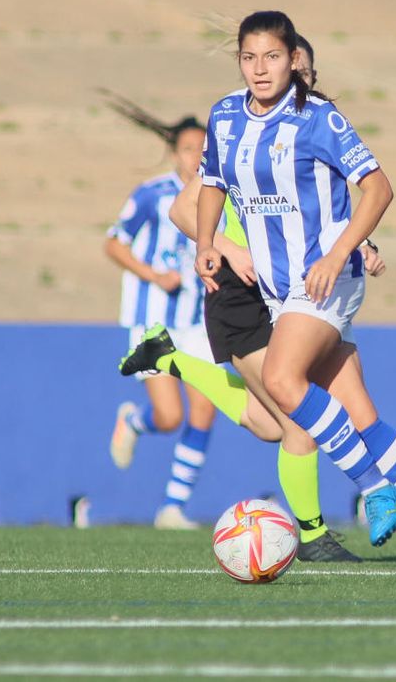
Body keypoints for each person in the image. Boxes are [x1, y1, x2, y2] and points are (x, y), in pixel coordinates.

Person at [194, 10, 396, 572]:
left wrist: (339, 253)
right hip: (283, 292)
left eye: (272, 57)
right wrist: (206, 242)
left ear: (293, 60)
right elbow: (212, 181)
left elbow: (378, 189)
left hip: (327, 278)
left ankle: (374, 486)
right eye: (249, 57)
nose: (260, 69)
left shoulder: (318, 119)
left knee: (284, 381)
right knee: (361, 418)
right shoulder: (226, 116)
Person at [118, 39, 375, 562]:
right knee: (296, 417)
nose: (287, 76)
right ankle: (312, 536)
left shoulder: (313, 130)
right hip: (242, 296)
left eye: (299, 68)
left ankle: (170, 359)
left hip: (291, 293)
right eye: (279, 64)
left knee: (268, 423)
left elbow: (326, 214)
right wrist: (228, 249)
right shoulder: (238, 130)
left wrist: (360, 244)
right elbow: (185, 210)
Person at [102, 95, 259, 530]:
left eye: (202, 148)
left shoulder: (217, 192)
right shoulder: (152, 195)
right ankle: (134, 421)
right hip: (153, 319)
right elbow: (113, 243)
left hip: (196, 319)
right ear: (174, 152)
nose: (196, 156)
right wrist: (152, 274)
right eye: (189, 149)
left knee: (206, 410)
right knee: (169, 418)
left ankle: (172, 507)